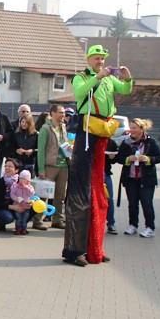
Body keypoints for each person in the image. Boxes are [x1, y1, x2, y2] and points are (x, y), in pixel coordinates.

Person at [64, 45, 133, 266]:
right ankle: (75, 251)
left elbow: (124, 90)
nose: (101, 62)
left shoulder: (109, 79)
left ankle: (95, 247)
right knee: (81, 189)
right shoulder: (81, 77)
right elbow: (80, 94)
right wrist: (97, 78)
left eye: (103, 59)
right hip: (86, 130)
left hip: (102, 130)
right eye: (97, 58)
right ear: (89, 59)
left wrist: (128, 79)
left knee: (97, 188)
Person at [117, 119, 160, 237]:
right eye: (131, 128)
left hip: (146, 179)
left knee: (146, 203)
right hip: (131, 178)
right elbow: (119, 158)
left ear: (142, 129)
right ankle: (133, 225)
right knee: (132, 204)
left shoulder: (151, 142)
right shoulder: (126, 142)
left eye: (134, 128)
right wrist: (128, 159)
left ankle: (150, 227)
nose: (131, 130)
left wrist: (147, 159)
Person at [36, 104, 70, 231]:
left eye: (63, 113)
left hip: (63, 165)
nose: (63, 115)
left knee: (60, 195)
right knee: (43, 194)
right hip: (50, 165)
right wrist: (41, 169)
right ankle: (37, 219)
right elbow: (41, 151)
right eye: (60, 112)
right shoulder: (46, 129)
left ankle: (57, 220)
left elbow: (64, 143)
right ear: (53, 113)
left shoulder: (63, 127)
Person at [0, 157, 20, 232]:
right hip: (4, 207)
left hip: (18, 204)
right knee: (7, 217)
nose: (7, 168)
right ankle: (1, 223)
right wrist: (12, 207)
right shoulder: (1, 182)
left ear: (16, 170)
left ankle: (21, 227)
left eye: (10, 166)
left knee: (32, 208)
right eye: (5, 166)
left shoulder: (21, 181)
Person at [10, 169, 36, 234]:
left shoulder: (30, 187)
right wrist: (17, 199)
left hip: (26, 206)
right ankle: (18, 229)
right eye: (20, 178)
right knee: (18, 219)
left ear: (28, 180)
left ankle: (24, 229)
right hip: (17, 205)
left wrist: (27, 188)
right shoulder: (16, 186)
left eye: (24, 179)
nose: (21, 180)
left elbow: (32, 194)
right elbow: (12, 194)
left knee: (25, 219)